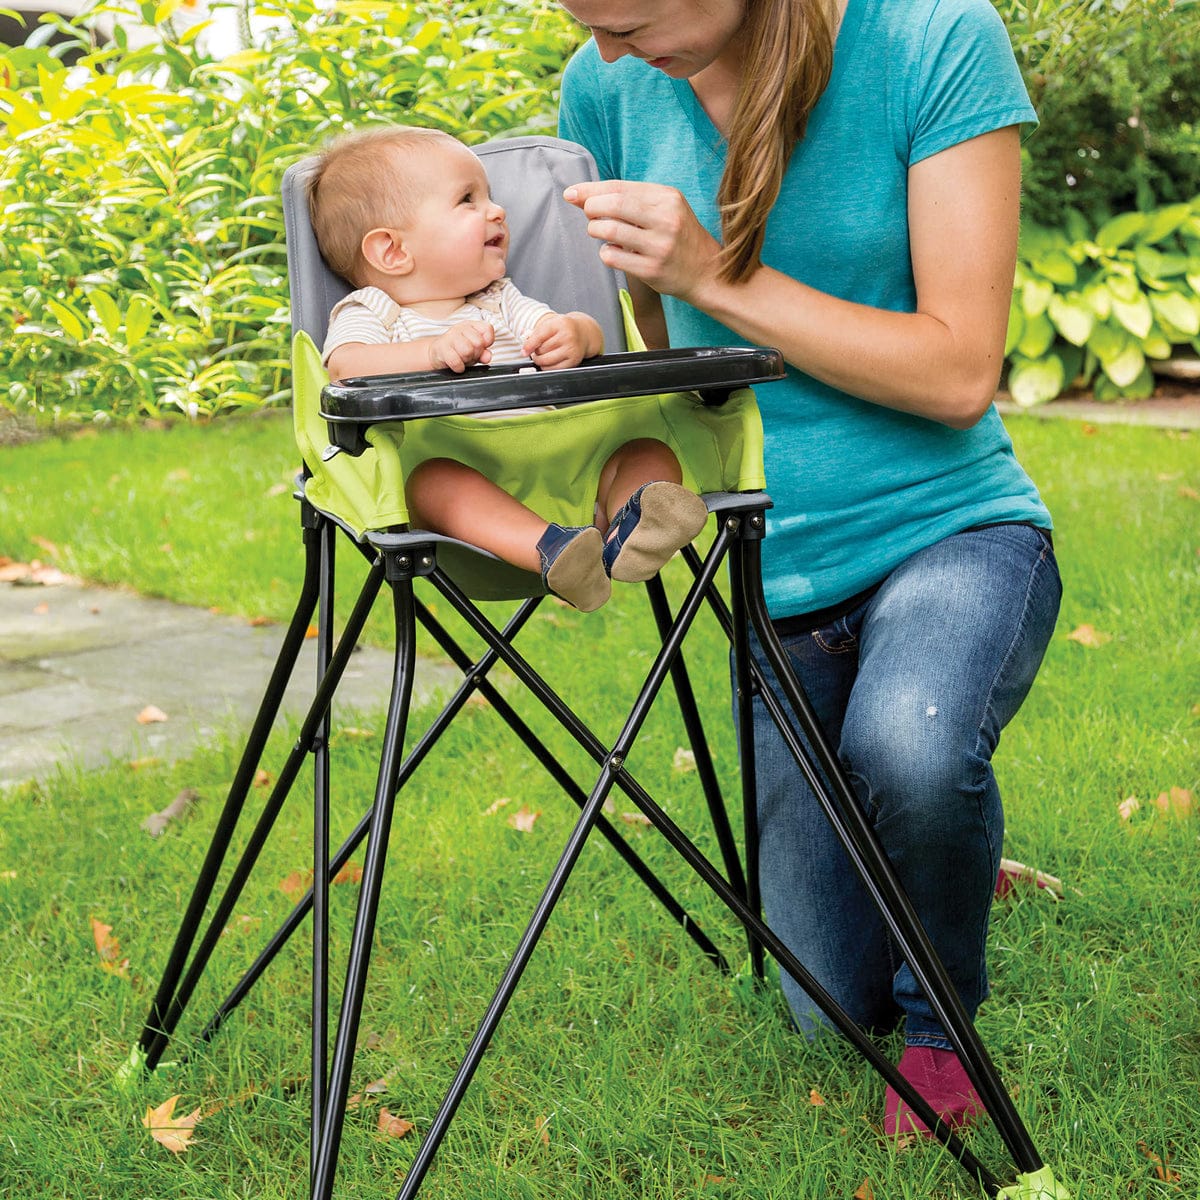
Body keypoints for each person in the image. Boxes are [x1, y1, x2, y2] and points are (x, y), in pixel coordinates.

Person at [556, 0, 1062, 1136]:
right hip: (772, 576)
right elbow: (647, 357)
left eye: (626, 19)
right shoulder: (609, 87)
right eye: (584, 21)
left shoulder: (933, 37)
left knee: (912, 742)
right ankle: (947, 845)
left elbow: (958, 372)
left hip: (951, 529)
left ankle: (945, 1021)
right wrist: (621, 456)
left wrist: (711, 269)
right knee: (825, 1003)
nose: (604, 54)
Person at [305, 124, 709, 612]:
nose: (496, 210)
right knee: (432, 484)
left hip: (568, 464)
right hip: (465, 477)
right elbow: (347, 368)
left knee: (644, 448)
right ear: (393, 251)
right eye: (467, 200)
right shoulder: (373, 310)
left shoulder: (501, 299)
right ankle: (555, 551)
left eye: (490, 197)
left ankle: (632, 523)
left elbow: (562, 326)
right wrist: (432, 353)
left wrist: (579, 334)